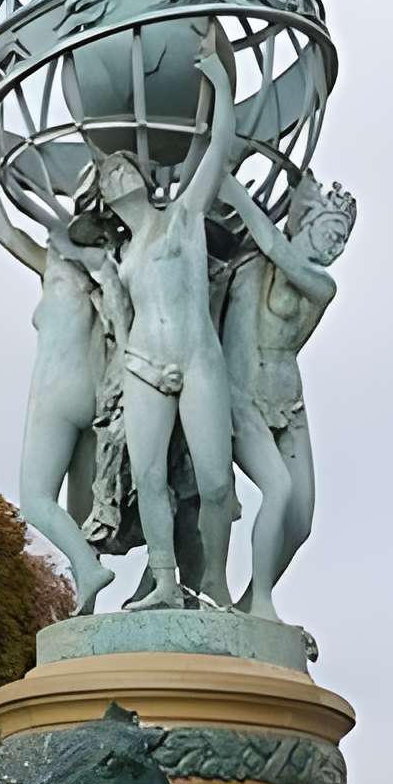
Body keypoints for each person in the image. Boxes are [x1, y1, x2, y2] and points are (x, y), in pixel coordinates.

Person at [92, 46, 242, 609]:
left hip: (198, 357)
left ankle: (217, 585)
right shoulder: (123, 261)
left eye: (122, 166)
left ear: (142, 175)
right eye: (108, 175)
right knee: (149, 479)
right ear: (105, 198)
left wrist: (218, 85)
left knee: (216, 486)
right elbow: (118, 325)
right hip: (142, 365)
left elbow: (216, 143)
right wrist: (106, 289)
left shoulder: (183, 215)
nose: (116, 174)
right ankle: (163, 581)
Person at [0, 157, 121, 613]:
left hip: (57, 391)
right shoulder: (112, 263)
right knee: (80, 518)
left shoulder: (57, 266)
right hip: (97, 396)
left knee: (36, 500)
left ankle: (89, 573)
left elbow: (3, 230)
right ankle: (87, 603)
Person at [217, 173, 353, 619]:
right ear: (307, 222)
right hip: (242, 394)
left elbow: (277, 247)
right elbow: (267, 247)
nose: (335, 249)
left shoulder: (321, 284)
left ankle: (250, 596)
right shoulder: (251, 263)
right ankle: (262, 604)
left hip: (288, 399)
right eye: (332, 234)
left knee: (302, 518)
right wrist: (224, 181)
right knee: (277, 489)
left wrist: (231, 189)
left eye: (343, 243)